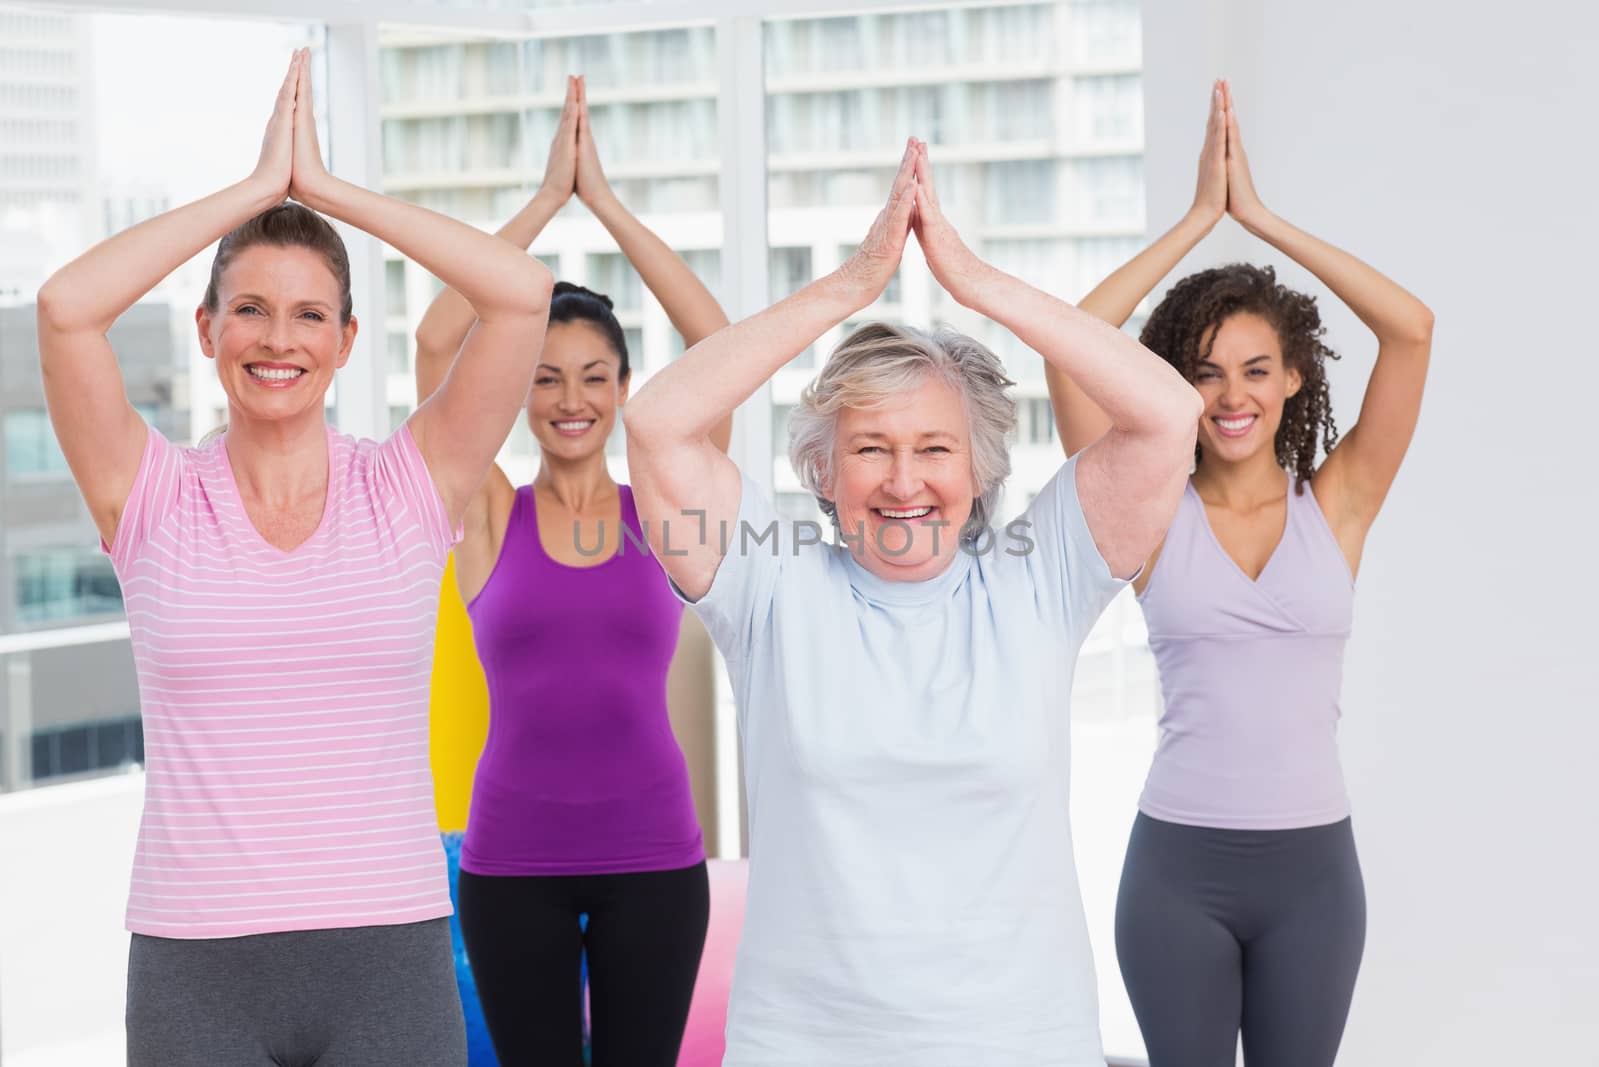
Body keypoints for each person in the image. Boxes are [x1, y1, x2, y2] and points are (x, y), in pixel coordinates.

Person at [622, 138, 1201, 1065]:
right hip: (804, 1044)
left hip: (1021, 1041)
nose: (903, 481)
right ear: (822, 466)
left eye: (934, 447)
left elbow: (1169, 416)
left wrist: (973, 282)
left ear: (978, 468)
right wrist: (853, 285)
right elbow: (656, 423)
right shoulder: (769, 591)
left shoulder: (1037, 580)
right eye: (870, 447)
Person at [36, 51, 554, 1066]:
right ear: (208, 329)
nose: (280, 337)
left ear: (348, 337)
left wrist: (323, 191)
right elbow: (65, 309)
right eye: (251, 308)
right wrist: (248, 194)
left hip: (388, 956)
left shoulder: (410, 486)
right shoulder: (149, 496)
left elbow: (522, 294)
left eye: (310, 311)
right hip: (196, 963)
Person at [1045, 81, 1434, 1067]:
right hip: (1176, 870)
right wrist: (1194, 223)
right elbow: (1069, 337)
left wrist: (1259, 219)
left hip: (1314, 873)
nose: (1231, 394)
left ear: (1294, 375)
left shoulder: (1338, 500)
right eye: (1205, 370)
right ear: (1177, 385)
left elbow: (1412, 328)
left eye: (1256, 368)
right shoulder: (1146, 508)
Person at [412, 76, 728, 1067]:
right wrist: (548, 201)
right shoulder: (484, 510)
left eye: (594, 375)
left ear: (626, 389)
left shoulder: (662, 512)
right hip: (511, 864)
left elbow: (717, 344)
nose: (569, 397)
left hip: (656, 863)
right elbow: (434, 338)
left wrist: (609, 206)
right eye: (543, 376)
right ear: (517, 393)